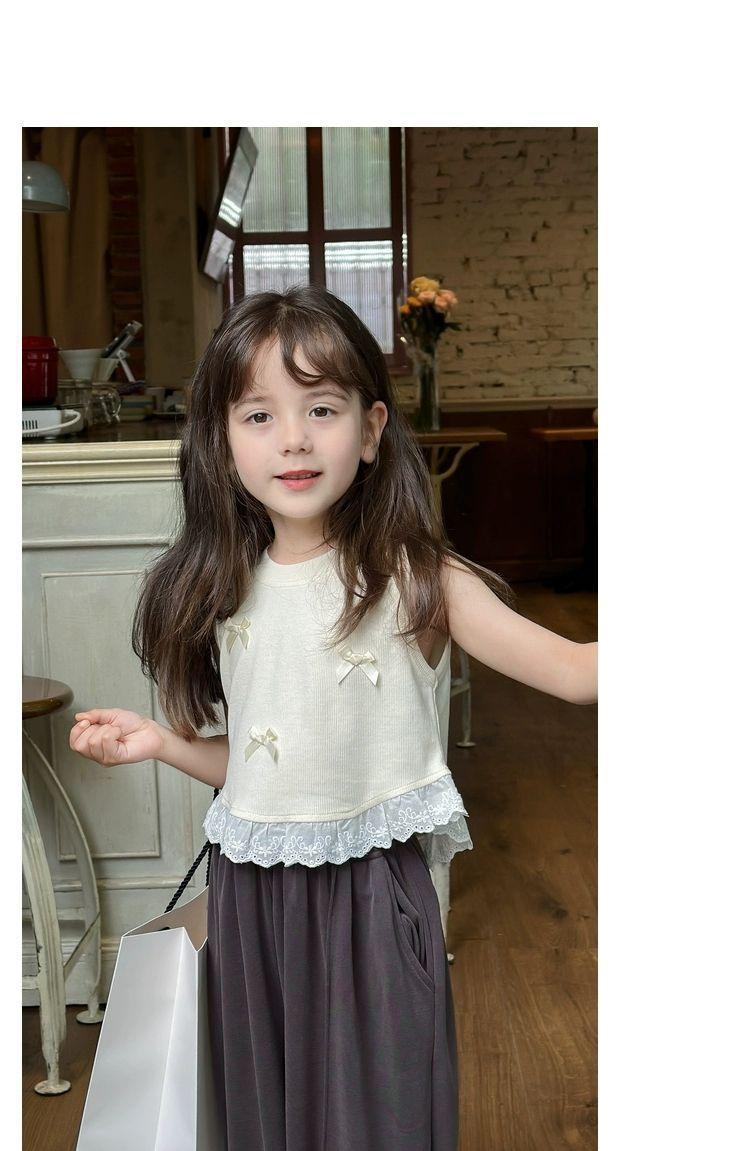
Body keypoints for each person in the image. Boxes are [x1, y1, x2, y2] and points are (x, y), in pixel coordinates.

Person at [69, 284, 597, 1151]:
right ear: (222, 441)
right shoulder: (224, 588)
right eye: (259, 415)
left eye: (321, 408)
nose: (294, 438)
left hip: (370, 903)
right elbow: (266, 772)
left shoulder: (417, 578)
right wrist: (162, 742)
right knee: (272, 1123)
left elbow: (577, 673)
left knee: (379, 1120)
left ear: (372, 427)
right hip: (251, 905)